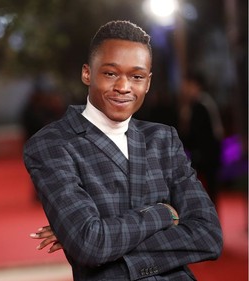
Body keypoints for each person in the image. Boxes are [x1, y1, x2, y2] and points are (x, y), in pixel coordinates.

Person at [23, 20, 223, 280]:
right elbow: (90, 245)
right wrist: (164, 213)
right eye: (110, 73)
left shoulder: (163, 138)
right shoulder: (52, 144)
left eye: (136, 76)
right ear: (87, 73)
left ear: (148, 82)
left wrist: (110, 242)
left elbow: (208, 235)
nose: (124, 87)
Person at [177, 71, 224, 207]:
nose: (184, 89)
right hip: (209, 156)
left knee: (208, 193)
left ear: (195, 85)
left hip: (207, 157)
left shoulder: (201, 106)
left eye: (186, 85)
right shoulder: (204, 102)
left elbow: (197, 135)